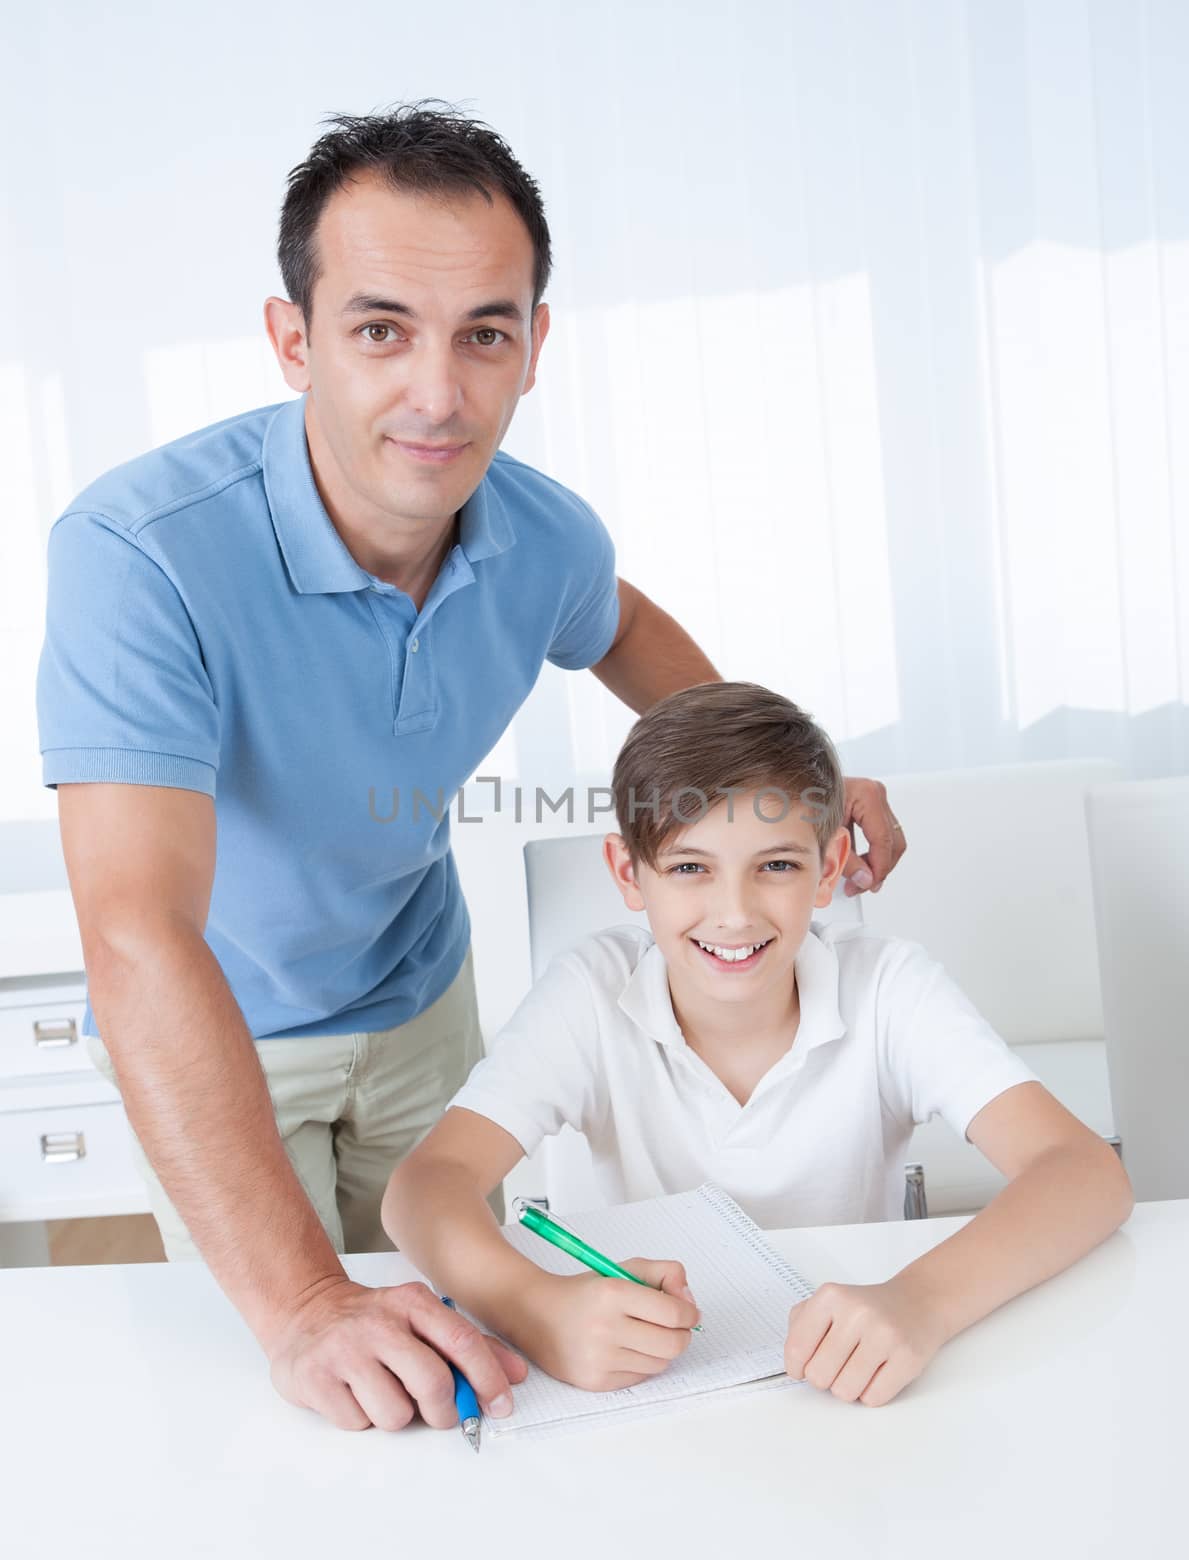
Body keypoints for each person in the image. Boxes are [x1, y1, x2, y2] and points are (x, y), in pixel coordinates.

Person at [36, 103, 905, 1434]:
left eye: (483, 332)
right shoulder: (138, 553)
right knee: (308, 1391)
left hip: (420, 997)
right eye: (380, 328)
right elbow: (137, 935)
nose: (437, 394)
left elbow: (619, 627)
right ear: (293, 340)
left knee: (466, 1365)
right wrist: (301, 1302)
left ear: (533, 346)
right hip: (223, 1027)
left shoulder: (540, 535)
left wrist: (794, 787)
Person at [383, 681, 1133, 1406]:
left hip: (839, 1389)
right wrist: (533, 1307)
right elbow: (425, 1187)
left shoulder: (889, 989)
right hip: (652, 1392)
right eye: (688, 868)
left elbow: (1082, 1173)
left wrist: (920, 1303)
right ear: (627, 873)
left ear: (829, 868)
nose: (734, 914)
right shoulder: (588, 992)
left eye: (775, 865)